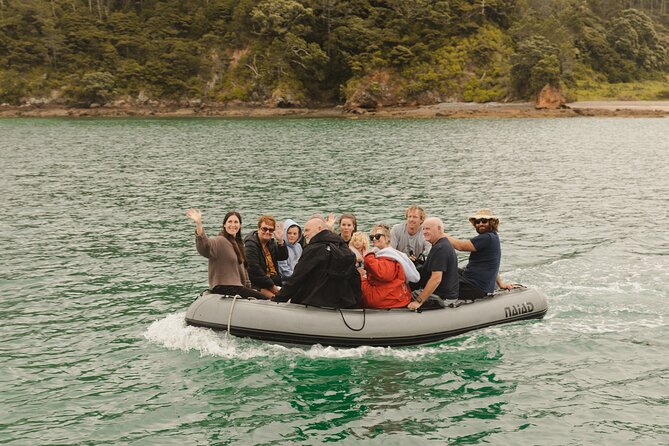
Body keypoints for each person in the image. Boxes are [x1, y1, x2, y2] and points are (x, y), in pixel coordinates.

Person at [274, 215, 361, 308]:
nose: (304, 234)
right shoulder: (342, 247)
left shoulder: (314, 249)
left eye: (307, 230)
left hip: (315, 302)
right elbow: (355, 277)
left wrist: (277, 300)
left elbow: (296, 278)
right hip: (343, 302)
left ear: (319, 229)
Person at [185, 208, 266, 299]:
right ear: (224, 224)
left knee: (262, 297)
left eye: (236, 222)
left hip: (238, 287)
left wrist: (249, 290)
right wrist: (199, 224)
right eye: (230, 222)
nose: (233, 225)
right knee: (264, 299)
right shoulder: (219, 241)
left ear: (240, 225)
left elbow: (244, 272)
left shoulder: (239, 244)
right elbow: (205, 246)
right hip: (224, 287)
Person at [445, 208, 514, 299]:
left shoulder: (487, 238)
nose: (480, 224)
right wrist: (500, 284)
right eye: (477, 221)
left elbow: (461, 246)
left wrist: (442, 235)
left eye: (484, 221)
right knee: (446, 268)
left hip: (474, 287)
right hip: (473, 280)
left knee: (439, 275)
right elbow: (492, 265)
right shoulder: (493, 236)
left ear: (491, 222)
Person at [359, 224, 420, 309]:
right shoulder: (397, 256)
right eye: (371, 237)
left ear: (387, 238)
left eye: (377, 236)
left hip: (386, 299)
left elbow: (382, 274)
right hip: (398, 296)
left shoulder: (388, 257)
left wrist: (368, 256)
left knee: (356, 279)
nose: (374, 239)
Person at [407, 217, 459, 311]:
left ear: (439, 229)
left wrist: (418, 301)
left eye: (428, 229)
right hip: (444, 294)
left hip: (442, 297)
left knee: (402, 295)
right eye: (423, 229)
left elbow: (436, 279)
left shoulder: (440, 248)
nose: (424, 232)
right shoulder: (442, 245)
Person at [244, 215, 288, 299]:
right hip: (257, 284)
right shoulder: (251, 244)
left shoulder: (270, 243)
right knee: (277, 299)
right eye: (264, 229)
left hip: (273, 281)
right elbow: (254, 269)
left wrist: (280, 241)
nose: (267, 232)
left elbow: (283, 257)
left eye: (271, 230)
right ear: (258, 229)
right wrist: (272, 286)